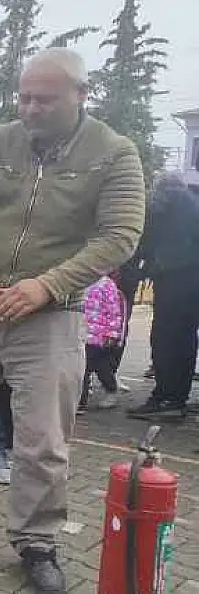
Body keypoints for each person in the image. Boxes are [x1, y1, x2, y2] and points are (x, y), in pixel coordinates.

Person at [0, 48, 146, 593]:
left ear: (81, 95)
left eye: (45, 98)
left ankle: (36, 540)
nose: (31, 108)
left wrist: (47, 285)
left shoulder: (115, 153)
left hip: (53, 312)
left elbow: (121, 234)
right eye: (24, 97)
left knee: (43, 434)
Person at [127, 169, 199, 420]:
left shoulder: (171, 208)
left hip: (175, 284)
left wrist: (146, 267)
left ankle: (165, 398)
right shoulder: (192, 203)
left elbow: (158, 245)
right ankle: (178, 397)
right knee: (186, 341)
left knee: (165, 340)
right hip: (191, 286)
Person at [79, 274, 125, 413]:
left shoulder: (107, 285)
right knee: (83, 368)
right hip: (81, 334)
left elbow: (114, 311)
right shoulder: (80, 281)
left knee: (100, 368)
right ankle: (80, 401)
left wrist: (112, 334)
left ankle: (110, 390)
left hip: (99, 337)